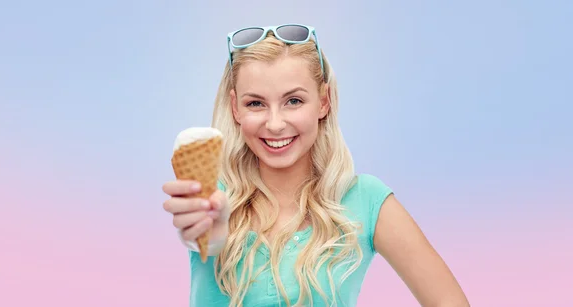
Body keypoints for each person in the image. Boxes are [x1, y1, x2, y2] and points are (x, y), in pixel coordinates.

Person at [162, 24, 470, 307]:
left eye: (293, 101)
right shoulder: (212, 198)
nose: (275, 123)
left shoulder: (365, 200)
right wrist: (208, 231)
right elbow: (204, 237)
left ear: (324, 101)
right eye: (255, 103)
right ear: (235, 108)